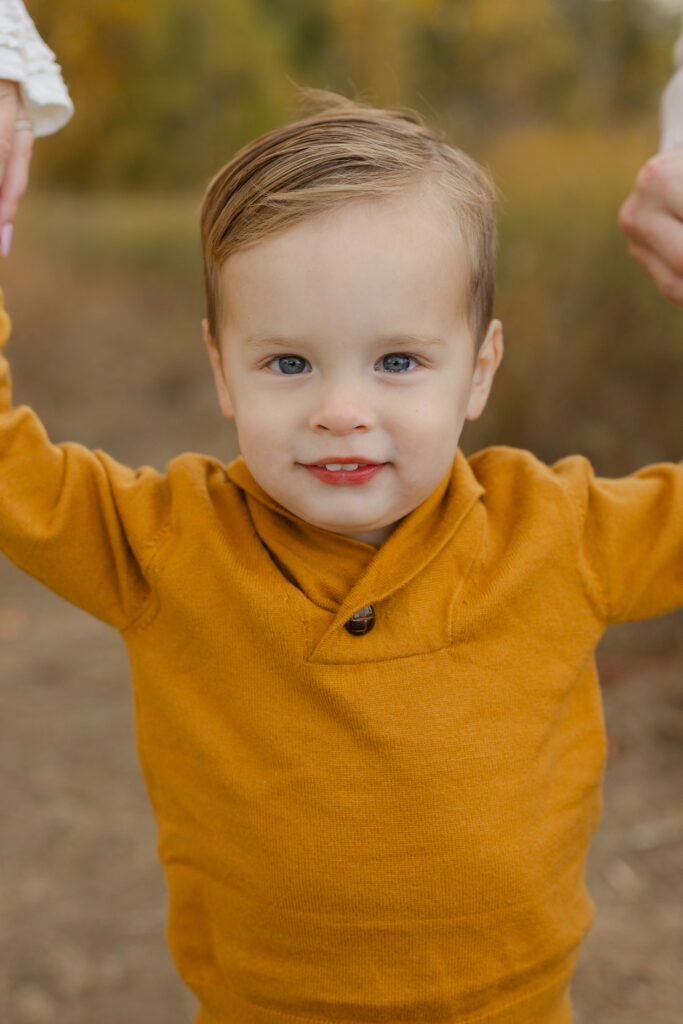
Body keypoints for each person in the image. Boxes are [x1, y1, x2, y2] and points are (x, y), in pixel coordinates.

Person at [0, 6, 681, 1024]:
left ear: (478, 370)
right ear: (220, 370)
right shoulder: (163, 541)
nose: (341, 411)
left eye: (397, 360)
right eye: (288, 363)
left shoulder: (561, 531)